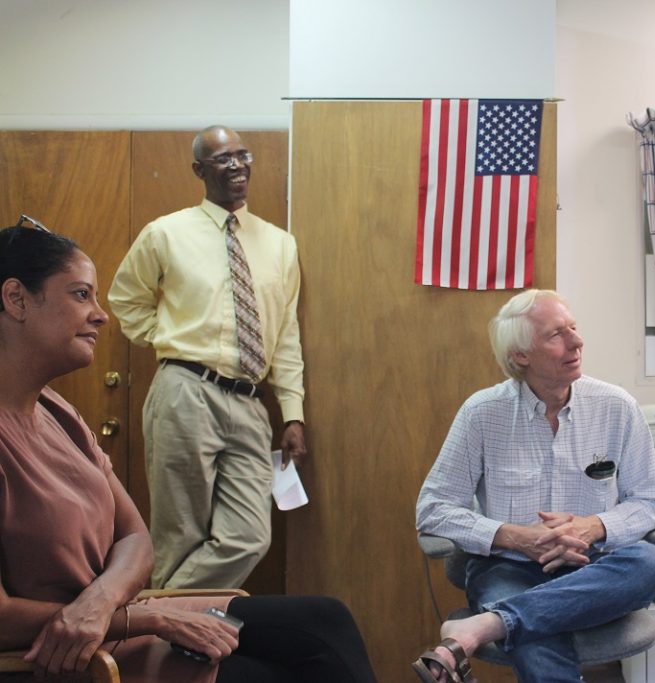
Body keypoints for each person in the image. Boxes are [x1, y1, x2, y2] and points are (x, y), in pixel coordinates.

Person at [0, 220, 377, 682]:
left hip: (116, 625)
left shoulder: (59, 413)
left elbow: (137, 539)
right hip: (79, 657)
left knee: (325, 622)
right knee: (283, 673)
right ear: (16, 299)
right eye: (81, 295)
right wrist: (152, 618)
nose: (100, 314)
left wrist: (102, 604)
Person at [413, 289, 655, 683]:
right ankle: (511, 617)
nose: (577, 341)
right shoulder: (482, 414)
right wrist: (516, 537)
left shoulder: (617, 407)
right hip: (508, 569)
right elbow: (432, 509)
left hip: (595, 567)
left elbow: (650, 503)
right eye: (556, 335)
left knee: (650, 563)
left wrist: (592, 527)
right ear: (521, 356)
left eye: (574, 328)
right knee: (534, 630)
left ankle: (487, 625)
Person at [108, 125, 307, 589]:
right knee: (180, 534)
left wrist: (292, 411)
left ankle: (151, 616)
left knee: (249, 536)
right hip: (186, 392)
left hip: (250, 402)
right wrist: (173, 338)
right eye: (222, 158)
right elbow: (124, 300)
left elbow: (286, 333)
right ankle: (168, 651)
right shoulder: (166, 234)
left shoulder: (280, 243)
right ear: (200, 170)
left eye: (242, 155)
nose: (237, 165)